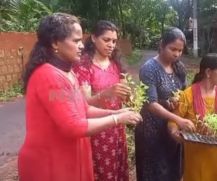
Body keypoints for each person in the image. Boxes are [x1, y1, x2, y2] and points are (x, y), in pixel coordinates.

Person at [18, 13, 142, 181]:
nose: (82, 45)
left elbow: (84, 109)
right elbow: (73, 126)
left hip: (67, 158)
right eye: (75, 41)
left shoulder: (67, 73)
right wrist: (117, 120)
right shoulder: (48, 76)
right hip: (50, 164)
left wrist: (117, 113)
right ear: (55, 43)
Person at [73, 20, 131, 181]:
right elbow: (85, 104)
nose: (111, 45)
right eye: (106, 40)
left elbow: (125, 99)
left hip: (117, 127)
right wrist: (106, 94)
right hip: (97, 130)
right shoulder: (84, 66)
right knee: (102, 172)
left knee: (118, 169)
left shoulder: (116, 65)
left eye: (114, 41)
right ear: (93, 38)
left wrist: (129, 96)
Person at [135, 27, 195, 181]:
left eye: (180, 50)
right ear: (162, 45)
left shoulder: (178, 67)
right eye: (172, 49)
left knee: (173, 170)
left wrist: (178, 103)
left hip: (172, 128)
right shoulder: (149, 69)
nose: (176, 54)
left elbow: (185, 93)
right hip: (152, 130)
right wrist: (179, 119)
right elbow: (151, 104)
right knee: (154, 172)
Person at [168, 53, 217, 181]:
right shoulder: (188, 95)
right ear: (208, 72)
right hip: (196, 155)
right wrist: (174, 132)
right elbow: (173, 120)